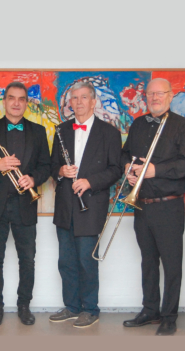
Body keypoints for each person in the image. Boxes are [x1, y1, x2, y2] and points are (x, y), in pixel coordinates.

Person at [0, 81, 51, 326]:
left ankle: (24, 305)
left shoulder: (38, 131)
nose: (16, 103)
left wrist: (33, 179)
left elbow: (46, 166)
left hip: (25, 204)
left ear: (26, 103)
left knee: (27, 259)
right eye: (12, 98)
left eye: (21, 99)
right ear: (4, 101)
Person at [121, 78, 185, 335]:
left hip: (169, 207)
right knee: (148, 262)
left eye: (160, 93)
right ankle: (150, 310)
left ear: (170, 95)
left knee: (172, 265)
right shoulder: (138, 124)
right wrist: (128, 168)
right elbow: (125, 153)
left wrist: (156, 170)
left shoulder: (182, 126)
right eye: (150, 93)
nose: (154, 97)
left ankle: (169, 316)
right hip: (142, 205)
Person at [49, 82, 121, 328]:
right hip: (65, 206)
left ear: (93, 101)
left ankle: (90, 309)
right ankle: (71, 307)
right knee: (66, 261)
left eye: (83, 98)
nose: (78, 102)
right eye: (74, 98)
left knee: (86, 261)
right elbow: (52, 166)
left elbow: (115, 170)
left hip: (91, 206)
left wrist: (90, 182)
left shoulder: (109, 133)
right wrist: (61, 170)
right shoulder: (61, 130)